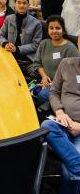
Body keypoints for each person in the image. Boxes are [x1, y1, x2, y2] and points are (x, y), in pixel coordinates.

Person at [41, 57, 80, 194]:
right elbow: (54, 92)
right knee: (46, 126)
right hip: (62, 124)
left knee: (68, 173)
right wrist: (59, 111)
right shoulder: (66, 64)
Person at [33, 15, 79, 106]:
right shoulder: (44, 44)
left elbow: (75, 74)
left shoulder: (70, 48)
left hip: (62, 85)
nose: (54, 31)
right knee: (31, 91)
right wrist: (44, 77)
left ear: (63, 30)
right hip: (44, 81)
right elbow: (37, 63)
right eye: (51, 28)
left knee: (42, 95)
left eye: (58, 28)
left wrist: (54, 84)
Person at [0, 0, 42, 78]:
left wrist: (18, 49)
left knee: (36, 76)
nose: (21, 5)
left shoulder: (36, 23)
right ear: (15, 4)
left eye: (24, 3)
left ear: (28, 5)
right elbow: (1, 35)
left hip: (27, 61)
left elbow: (36, 44)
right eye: (19, 3)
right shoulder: (8, 19)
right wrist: (5, 43)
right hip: (9, 57)